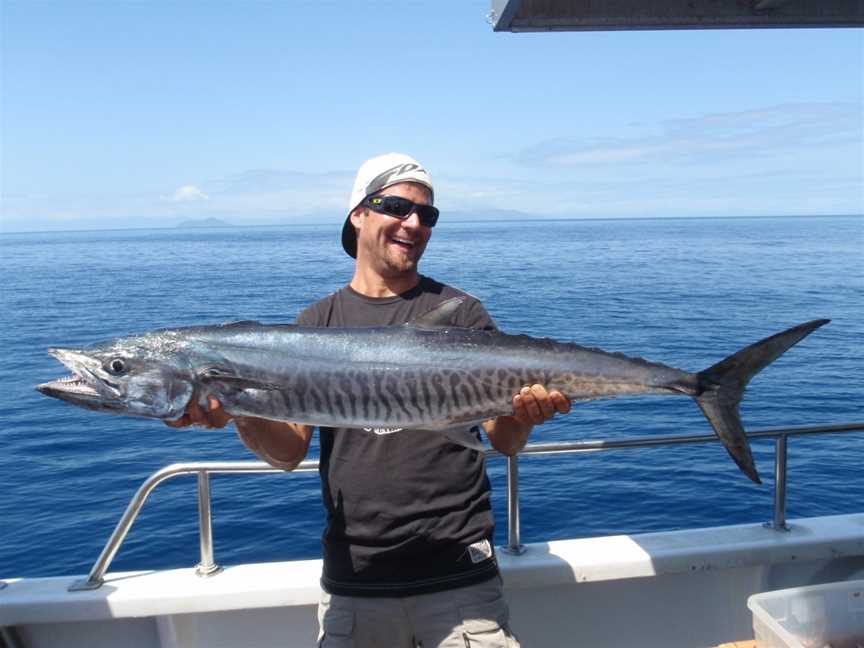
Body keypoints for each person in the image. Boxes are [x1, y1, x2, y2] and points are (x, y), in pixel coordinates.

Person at [169, 153, 571, 647]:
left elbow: (503, 441)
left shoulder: (462, 314)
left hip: (462, 574)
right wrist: (239, 411)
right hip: (355, 581)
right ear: (357, 214)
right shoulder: (318, 322)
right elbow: (288, 453)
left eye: (427, 215)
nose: (414, 223)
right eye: (398, 207)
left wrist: (526, 414)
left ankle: (687, 385)